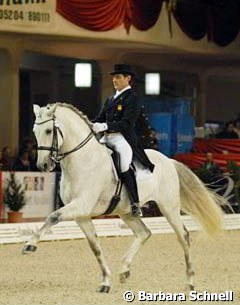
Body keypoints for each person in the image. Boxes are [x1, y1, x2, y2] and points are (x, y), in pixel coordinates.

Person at [92, 64, 155, 217]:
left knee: (124, 164)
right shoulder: (109, 100)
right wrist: (88, 124)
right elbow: (99, 119)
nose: (115, 80)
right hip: (107, 138)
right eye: (114, 77)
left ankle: (135, 203)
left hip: (122, 139)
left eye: (118, 77)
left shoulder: (132, 98)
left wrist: (105, 125)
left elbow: (127, 124)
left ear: (128, 78)